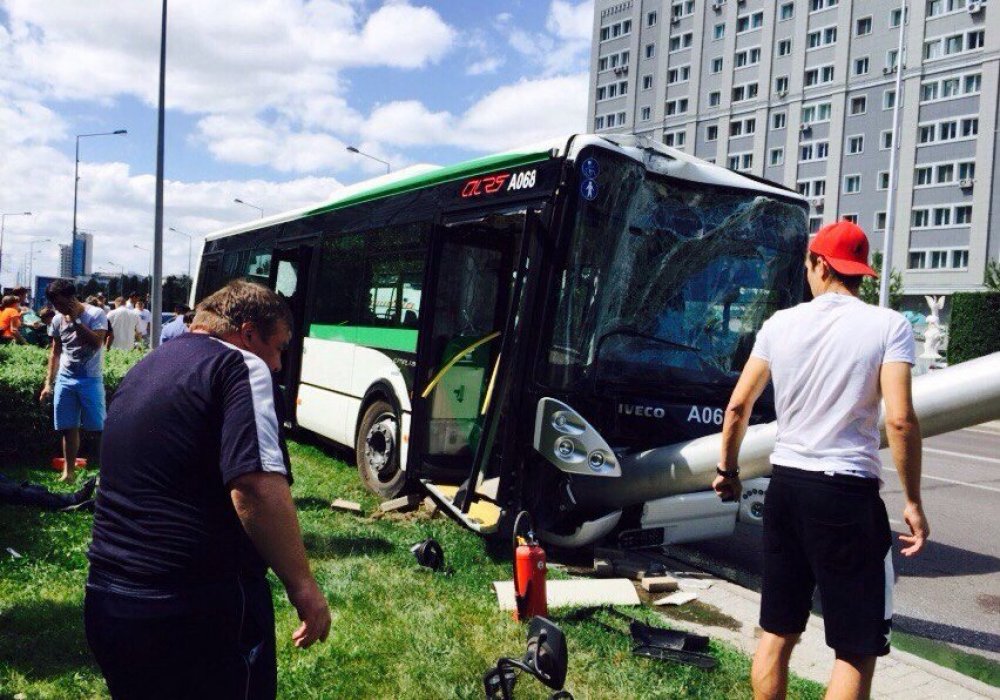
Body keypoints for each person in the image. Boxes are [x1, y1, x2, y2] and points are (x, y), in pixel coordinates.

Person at [713, 221, 929, 700]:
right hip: (847, 495)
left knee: (777, 632)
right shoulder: (887, 326)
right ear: (858, 274)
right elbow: (900, 421)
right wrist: (912, 501)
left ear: (820, 264)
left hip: (787, 489)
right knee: (854, 648)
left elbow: (737, 409)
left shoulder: (779, 325)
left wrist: (727, 472)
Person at [85, 280, 330, 699]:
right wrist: (303, 585)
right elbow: (253, 485)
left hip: (110, 601)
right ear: (249, 333)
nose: (276, 364)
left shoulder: (148, 365)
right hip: (195, 612)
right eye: (279, 348)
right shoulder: (241, 365)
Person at [38, 280, 108, 483]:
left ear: (71, 298)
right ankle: (68, 473)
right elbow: (55, 352)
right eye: (54, 305)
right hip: (65, 379)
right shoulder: (58, 320)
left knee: (98, 429)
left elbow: (97, 343)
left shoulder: (96, 314)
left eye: (59, 303)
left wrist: (76, 321)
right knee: (68, 427)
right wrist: (48, 383)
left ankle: (106, 473)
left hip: (90, 379)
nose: (57, 309)